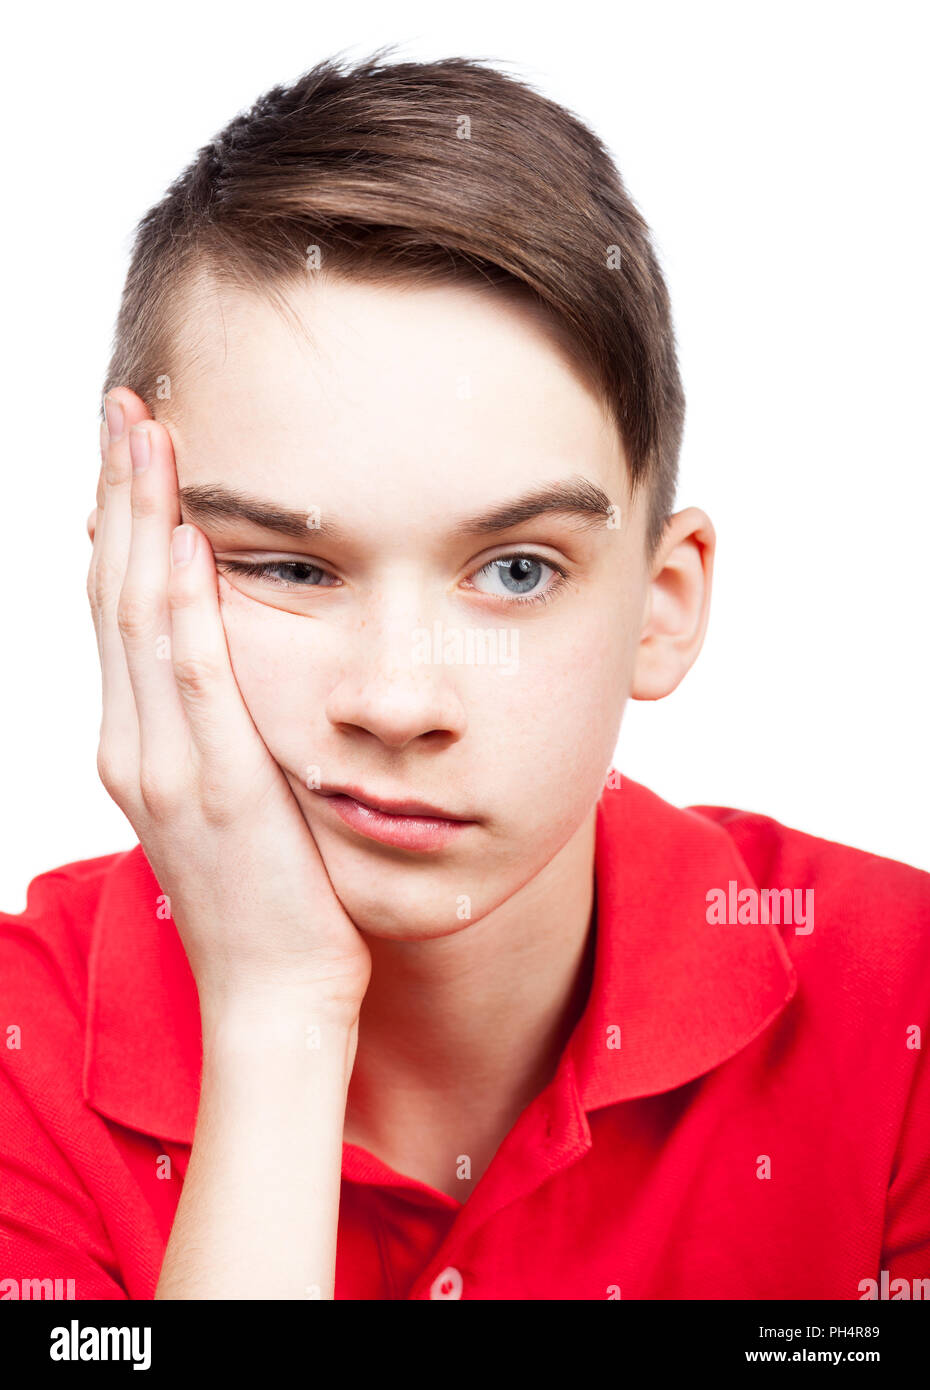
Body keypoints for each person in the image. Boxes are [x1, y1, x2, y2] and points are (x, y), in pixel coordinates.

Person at [1, 49, 927, 1303]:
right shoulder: (21, 1052)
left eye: (517, 572)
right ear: (127, 573)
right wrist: (281, 1016)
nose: (397, 700)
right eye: (290, 566)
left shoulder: (901, 1000)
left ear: (664, 604)